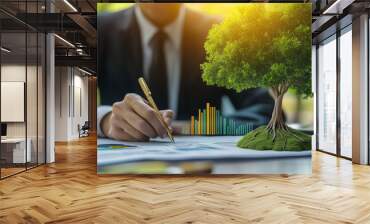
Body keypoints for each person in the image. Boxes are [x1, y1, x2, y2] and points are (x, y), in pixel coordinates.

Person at [97, 3, 274, 141]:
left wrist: (191, 127)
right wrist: (105, 120)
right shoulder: (100, 29)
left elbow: (267, 110)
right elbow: (72, 104)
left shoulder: (219, 32)